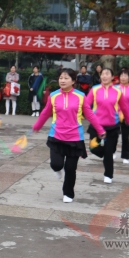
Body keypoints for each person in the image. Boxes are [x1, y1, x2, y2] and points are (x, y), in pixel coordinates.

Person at [33, 68, 105, 203]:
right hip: (56, 135)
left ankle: (68, 194)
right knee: (56, 164)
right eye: (61, 78)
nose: (62, 80)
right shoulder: (53, 96)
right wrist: (37, 125)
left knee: (71, 169)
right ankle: (57, 169)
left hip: (75, 137)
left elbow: (89, 114)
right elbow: (45, 113)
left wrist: (100, 130)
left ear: (73, 81)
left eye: (66, 78)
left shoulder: (80, 96)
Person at [84, 68, 129, 184]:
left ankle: (108, 175)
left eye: (107, 74)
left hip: (112, 126)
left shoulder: (117, 91)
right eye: (102, 74)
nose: (104, 76)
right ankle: (106, 153)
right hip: (96, 125)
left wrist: (127, 119)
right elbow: (85, 105)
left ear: (112, 77)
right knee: (93, 147)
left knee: (109, 152)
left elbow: (124, 107)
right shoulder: (95, 90)